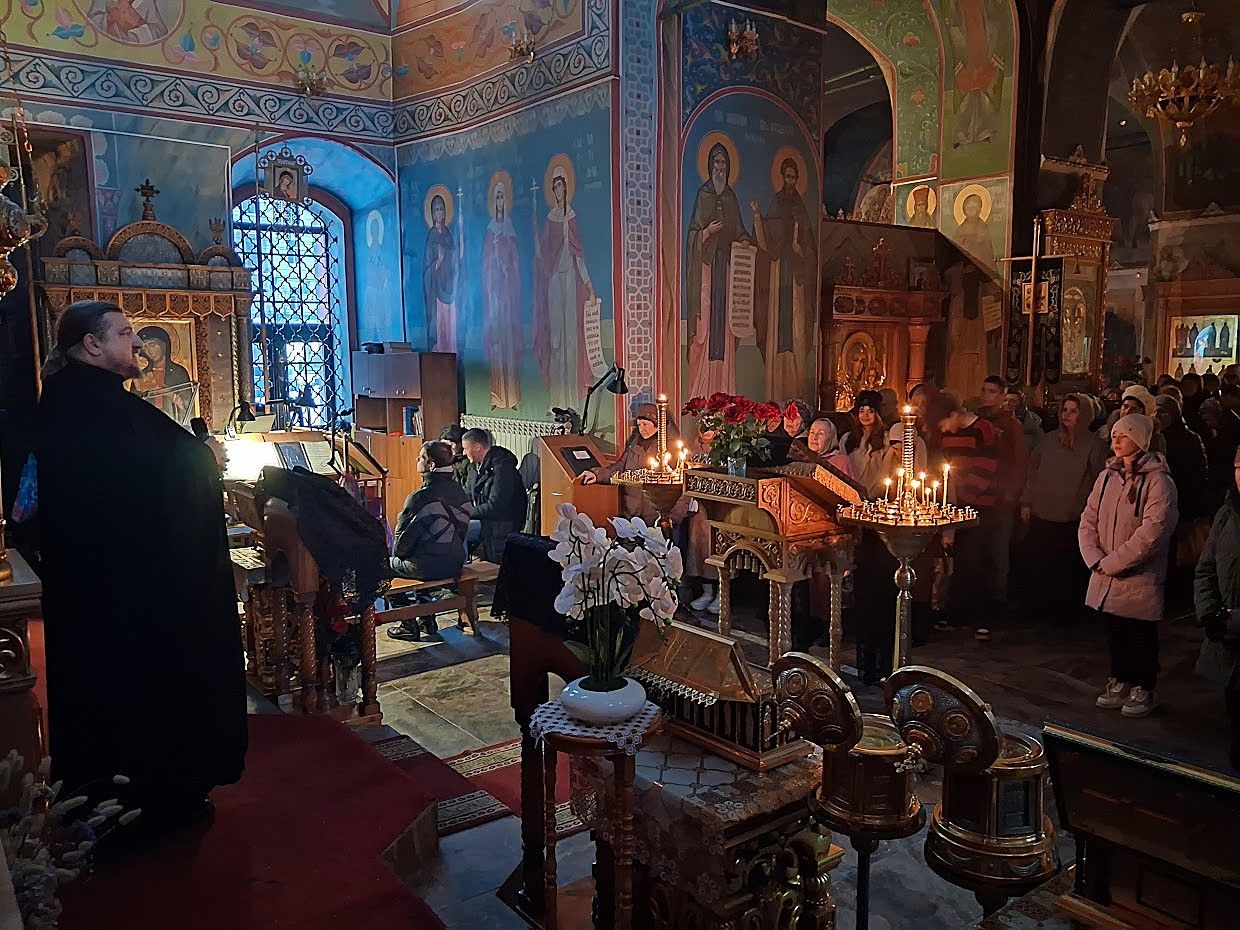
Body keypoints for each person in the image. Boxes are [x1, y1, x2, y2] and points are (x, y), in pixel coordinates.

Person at [37, 300, 246, 828]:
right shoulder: (93, 408)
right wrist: (204, 460)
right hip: (130, 596)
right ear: (91, 345)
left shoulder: (73, 400)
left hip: (106, 589)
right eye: (125, 333)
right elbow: (151, 479)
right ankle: (155, 802)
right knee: (142, 697)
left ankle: (113, 799)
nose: (137, 343)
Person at [1080, 413, 1178, 717]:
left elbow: (1153, 532)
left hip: (1137, 576)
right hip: (1105, 570)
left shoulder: (1158, 482)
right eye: (1114, 434)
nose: (1117, 440)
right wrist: (1094, 557)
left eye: (1125, 434)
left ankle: (1143, 686)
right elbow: (1089, 518)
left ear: (1140, 439)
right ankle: (1120, 678)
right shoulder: (1107, 476)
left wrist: (1114, 562)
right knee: (1116, 631)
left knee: (1139, 633)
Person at [1020, 394, 1107, 619]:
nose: (1067, 415)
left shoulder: (1094, 445)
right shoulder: (1048, 440)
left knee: (1066, 566)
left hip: (1073, 516)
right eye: (1065, 410)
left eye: (1074, 411)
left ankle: (1066, 612)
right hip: (1043, 512)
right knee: (1042, 563)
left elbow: (1100, 480)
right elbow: (1032, 471)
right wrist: (1027, 502)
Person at [386, 441, 474, 642]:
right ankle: (427, 620)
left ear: (431, 465)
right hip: (455, 563)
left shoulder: (420, 498)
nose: (417, 459)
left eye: (421, 457)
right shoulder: (461, 492)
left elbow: (401, 547)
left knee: (381, 565)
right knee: (425, 553)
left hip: (426, 566)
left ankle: (407, 623)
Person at [934, 392, 1002, 640]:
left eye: (944, 422)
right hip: (957, 504)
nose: (943, 429)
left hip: (981, 505)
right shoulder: (947, 434)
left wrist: (962, 498)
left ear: (954, 414)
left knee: (978, 560)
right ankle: (959, 613)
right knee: (960, 560)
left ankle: (982, 617)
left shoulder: (984, 429)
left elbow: (988, 469)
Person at [1192, 447, 1240, 770]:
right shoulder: (1227, 514)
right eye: (1239, 467)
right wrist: (1209, 611)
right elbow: (1206, 568)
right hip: (1230, 647)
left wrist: (1233, 621)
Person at [580, 403, 688, 526]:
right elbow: (620, 467)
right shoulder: (634, 444)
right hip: (632, 515)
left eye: (645, 424)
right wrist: (597, 474)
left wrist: (673, 517)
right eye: (639, 425)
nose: (642, 429)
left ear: (657, 424)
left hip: (658, 518)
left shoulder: (671, 449)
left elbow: (683, 487)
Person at [977, 376, 1028, 607]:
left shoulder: (1011, 425)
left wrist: (1012, 493)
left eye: (992, 391)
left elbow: (1019, 461)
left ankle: (998, 598)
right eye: (984, 390)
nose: (986, 396)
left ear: (1002, 396)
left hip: (1000, 496)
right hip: (977, 493)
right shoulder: (977, 420)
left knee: (998, 548)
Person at [462, 428, 527, 564]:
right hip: (484, 519)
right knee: (451, 526)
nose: (463, 453)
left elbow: (495, 506)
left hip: (501, 524)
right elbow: (468, 493)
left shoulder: (503, 470)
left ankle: (460, 572)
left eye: (465, 448)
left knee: (458, 530)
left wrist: (466, 512)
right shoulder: (475, 467)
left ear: (477, 447)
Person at [844, 390, 888, 495]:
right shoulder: (847, 438)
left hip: (877, 492)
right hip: (852, 492)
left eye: (870, 411)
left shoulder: (886, 438)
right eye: (861, 411)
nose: (865, 415)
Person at [1199, 398, 1240, 512]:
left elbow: (1222, 454)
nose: (1207, 424)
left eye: (1207, 420)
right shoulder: (1223, 427)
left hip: (1225, 476)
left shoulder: (1230, 431)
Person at [790, 417, 855, 478]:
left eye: (820, 433)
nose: (815, 437)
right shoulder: (800, 459)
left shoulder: (841, 461)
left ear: (830, 438)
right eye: (812, 432)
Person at [1003, 386, 1043, 453]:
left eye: (1013, 401)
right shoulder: (996, 420)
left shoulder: (1033, 422)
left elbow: (1041, 444)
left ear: (1020, 403)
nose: (1008, 403)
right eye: (1005, 400)